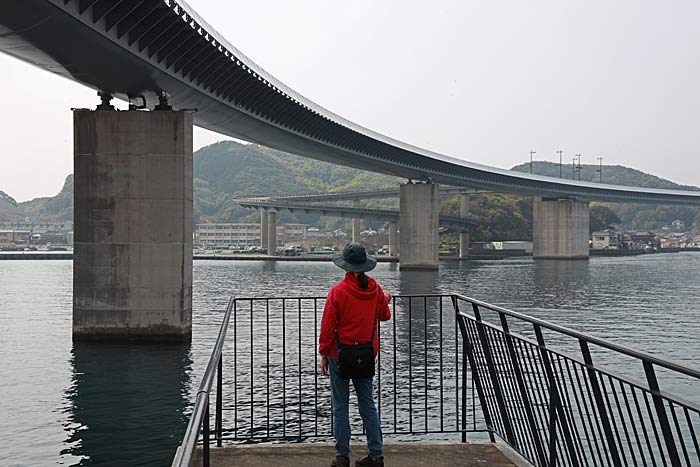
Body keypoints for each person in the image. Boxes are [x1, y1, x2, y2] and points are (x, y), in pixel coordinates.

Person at [319, 243, 392, 467]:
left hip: (339, 355)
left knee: (340, 405)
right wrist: (385, 300)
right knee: (367, 404)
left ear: (346, 267)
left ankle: (342, 457)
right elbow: (384, 316)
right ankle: (376, 455)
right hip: (366, 355)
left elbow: (328, 327)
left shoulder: (338, 292)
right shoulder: (375, 290)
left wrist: (323, 353)